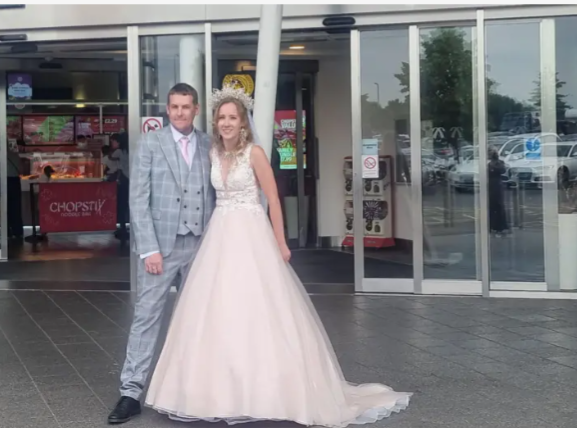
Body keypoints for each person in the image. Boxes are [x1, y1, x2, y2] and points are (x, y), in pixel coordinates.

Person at [142, 86, 412, 426]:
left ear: (243, 123)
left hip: (252, 234)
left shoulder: (254, 153)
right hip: (219, 235)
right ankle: (216, 392)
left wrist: (280, 242)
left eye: (233, 118)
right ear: (215, 121)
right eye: (222, 117)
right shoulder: (213, 153)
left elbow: (272, 197)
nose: (226, 123)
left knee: (260, 308)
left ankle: (270, 390)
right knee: (217, 309)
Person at [107, 83, 215, 424]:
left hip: (200, 246)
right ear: (167, 110)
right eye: (174, 107)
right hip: (161, 250)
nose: (180, 112)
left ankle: (196, 389)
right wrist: (148, 249)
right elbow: (138, 199)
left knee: (199, 320)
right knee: (146, 317)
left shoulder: (209, 145)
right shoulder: (151, 143)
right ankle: (130, 392)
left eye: (186, 107)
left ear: (196, 109)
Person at [488, 148, 508, 236]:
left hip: (497, 185)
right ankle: (492, 226)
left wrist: (493, 168)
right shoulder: (489, 164)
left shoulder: (499, 163)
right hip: (491, 185)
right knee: (491, 206)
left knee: (499, 206)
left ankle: (500, 227)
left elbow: (502, 170)